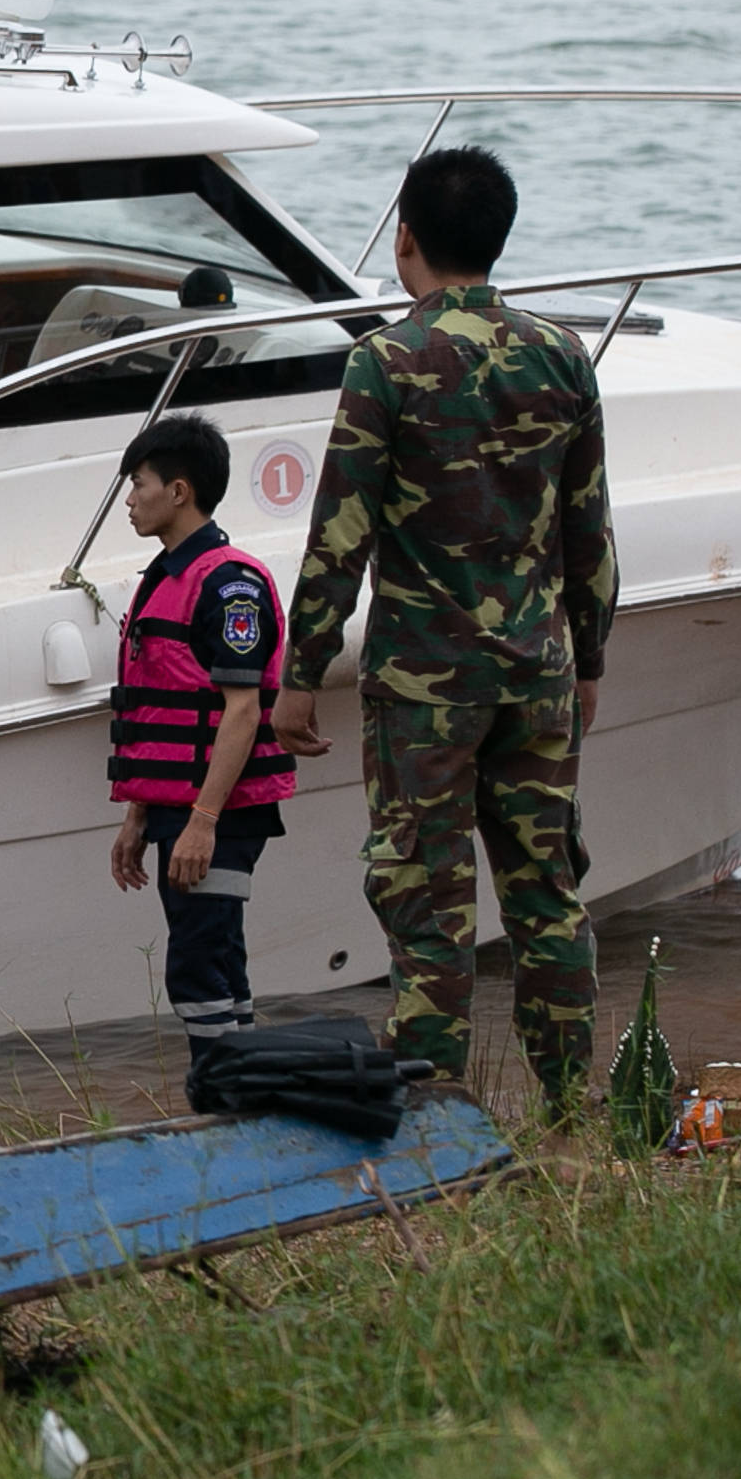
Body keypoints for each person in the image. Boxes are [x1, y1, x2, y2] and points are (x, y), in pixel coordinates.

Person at [273, 145, 614, 1117]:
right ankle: (567, 1107)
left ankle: (435, 1115)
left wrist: (300, 670)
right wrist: (586, 656)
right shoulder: (562, 355)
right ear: (498, 238)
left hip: (427, 684)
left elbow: (339, 530)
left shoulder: (387, 361)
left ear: (405, 237)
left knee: (427, 895)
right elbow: (591, 530)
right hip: (538, 672)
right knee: (548, 890)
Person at [104, 414, 297, 1071]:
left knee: (198, 962)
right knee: (214, 955)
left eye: (139, 485)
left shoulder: (229, 582)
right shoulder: (163, 576)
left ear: (179, 491)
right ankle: (243, 1092)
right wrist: (138, 816)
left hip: (220, 813)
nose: (129, 500)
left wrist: (203, 822)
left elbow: (242, 710)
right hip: (175, 811)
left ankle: (220, 1093)